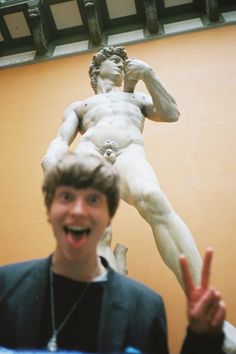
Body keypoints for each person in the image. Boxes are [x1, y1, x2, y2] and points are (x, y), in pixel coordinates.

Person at [41, 46, 236, 352]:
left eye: (123, 63)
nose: (121, 67)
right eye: (115, 62)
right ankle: (98, 320)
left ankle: (209, 311)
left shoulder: (136, 98)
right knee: (94, 230)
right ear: (97, 69)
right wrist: (52, 157)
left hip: (128, 151)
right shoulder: (81, 105)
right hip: (89, 152)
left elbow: (171, 112)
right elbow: (61, 139)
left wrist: (148, 75)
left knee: (153, 199)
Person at [0, 152, 226, 353]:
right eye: (66, 197)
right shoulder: (5, 286)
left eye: (93, 199)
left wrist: (202, 340)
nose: (78, 211)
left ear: (109, 216)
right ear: (49, 210)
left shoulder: (145, 306)